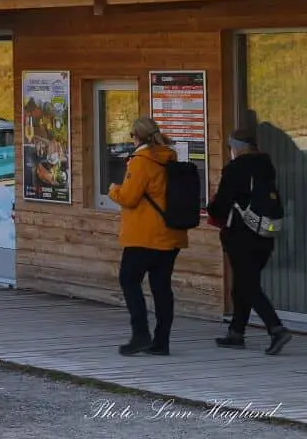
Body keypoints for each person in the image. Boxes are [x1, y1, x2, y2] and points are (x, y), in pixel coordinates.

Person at [108, 117, 189, 356]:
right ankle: (161, 341)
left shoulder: (141, 161)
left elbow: (129, 198)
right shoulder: (168, 157)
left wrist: (113, 190)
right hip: (171, 232)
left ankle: (141, 334)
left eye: (132, 136)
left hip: (144, 235)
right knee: (161, 287)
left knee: (129, 280)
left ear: (137, 136)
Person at [207, 128, 292, 356]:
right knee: (243, 283)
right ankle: (236, 332)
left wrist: (210, 209)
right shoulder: (266, 167)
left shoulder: (235, 169)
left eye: (230, 147)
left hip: (241, 235)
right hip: (265, 233)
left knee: (248, 284)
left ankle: (276, 329)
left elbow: (222, 203)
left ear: (236, 147)